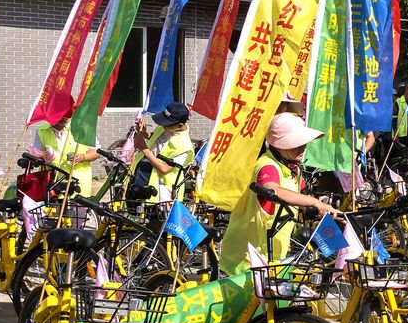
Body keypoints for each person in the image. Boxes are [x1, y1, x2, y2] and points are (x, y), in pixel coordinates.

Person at [220, 112, 341, 275]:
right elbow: (272, 189)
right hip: (247, 255)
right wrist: (315, 203)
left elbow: (301, 196)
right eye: (296, 143)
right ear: (279, 145)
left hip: (272, 252)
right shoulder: (267, 165)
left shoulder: (292, 167)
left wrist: (325, 209)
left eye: (303, 143)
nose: (303, 147)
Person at [30, 93, 99, 197]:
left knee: (75, 212)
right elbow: (35, 157)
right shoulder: (42, 131)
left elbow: (96, 152)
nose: (62, 120)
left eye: (66, 118)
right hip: (51, 185)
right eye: (59, 117)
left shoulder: (81, 128)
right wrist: (41, 158)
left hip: (77, 185)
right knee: (52, 213)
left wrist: (82, 157)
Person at [130, 102, 195, 203]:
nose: (163, 126)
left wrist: (144, 149)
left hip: (162, 191)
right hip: (145, 174)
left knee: (151, 217)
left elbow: (164, 169)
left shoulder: (184, 146)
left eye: (166, 124)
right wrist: (143, 133)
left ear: (179, 125)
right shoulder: (168, 127)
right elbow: (156, 137)